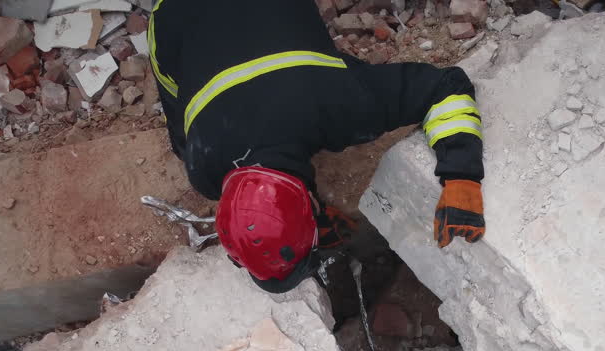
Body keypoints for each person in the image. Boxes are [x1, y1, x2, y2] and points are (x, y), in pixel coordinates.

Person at [148, 0, 486, 293]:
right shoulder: (202, 165)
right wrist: (306, 211)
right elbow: (248, 152)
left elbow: (446, 87)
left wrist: (461, 176)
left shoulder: (341, 106)